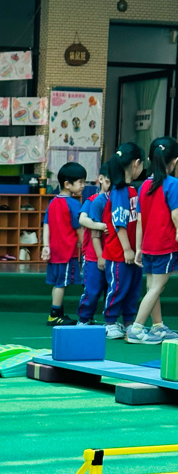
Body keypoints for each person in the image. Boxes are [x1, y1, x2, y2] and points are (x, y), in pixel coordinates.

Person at [127, 136, 178, 343]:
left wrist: (139, 247)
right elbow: (176, 215)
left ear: (149, 159)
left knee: (152, 287)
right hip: (165, 244)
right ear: (174, 161)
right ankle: (137, 328)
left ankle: (157, 326)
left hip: (148, 245)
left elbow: (139, 220)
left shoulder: (144, 186)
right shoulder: (173, 184)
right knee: (157, 287)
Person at [99, 142, 144, 339]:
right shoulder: (119, 191)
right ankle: (110, 322)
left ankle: (128, 322)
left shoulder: (132, 190)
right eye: (142, 164)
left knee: (133, 289)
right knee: (118, 287)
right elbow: (119, 223)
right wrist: (127, 249)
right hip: (119, 253)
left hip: (133, 252)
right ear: (135, 163)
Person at [40, 161, 86, 326]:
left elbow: (46, 224)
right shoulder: (74, 204)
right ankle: (54, 314)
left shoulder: (53, 202)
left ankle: (57, 312)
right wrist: (85, 246)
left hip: (55, 251)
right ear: (67, 184)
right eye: (80, 182)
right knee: (61, 284)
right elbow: (79, 228)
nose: (83, 185)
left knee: (57, 283)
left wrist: (46, 246)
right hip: (66, 252)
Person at [76, 164, 110, 326]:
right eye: (108, 181)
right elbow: (82, 219)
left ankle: (111, 321)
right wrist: (101, 226)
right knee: (92, 290)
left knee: (111, 290)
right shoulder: (92, 200)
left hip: (112, 253)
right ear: (101, 179)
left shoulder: (117, 200)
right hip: (92, 255)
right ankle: (84, 319)